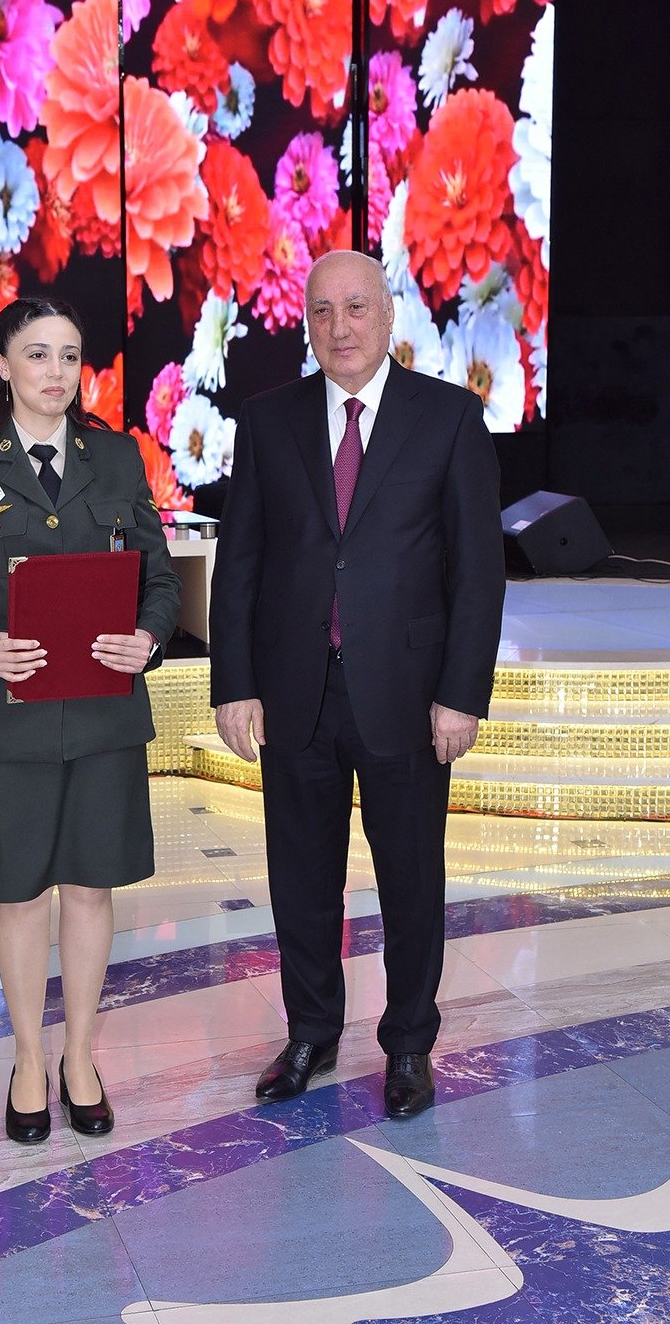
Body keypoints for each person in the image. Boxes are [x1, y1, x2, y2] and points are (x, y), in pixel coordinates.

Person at [209, 251, 505, 1118]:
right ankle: (311, 1032)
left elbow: (477, 573)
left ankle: (409, 1045)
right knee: (302, 879)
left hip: (409, 697)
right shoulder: (268, 421)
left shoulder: (449, 418)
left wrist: (462, 694)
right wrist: (235, 683)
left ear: (388, 313)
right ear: (306, 321)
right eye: (322, 311)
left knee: (411, 881)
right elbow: (241, 564)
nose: (339, 327)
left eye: (356, 308)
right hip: (293, 693)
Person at [0, 296, 181, 1143]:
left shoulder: (117, 456)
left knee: (90, 888)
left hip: (102, 712)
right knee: (19, 894)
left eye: (70, 355)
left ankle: (79, 1058)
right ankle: (28, 1061)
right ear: (3, 365)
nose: (56, 372)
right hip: (7, 717)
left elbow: (160, 579)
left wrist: (149, 636)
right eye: (38, 354)